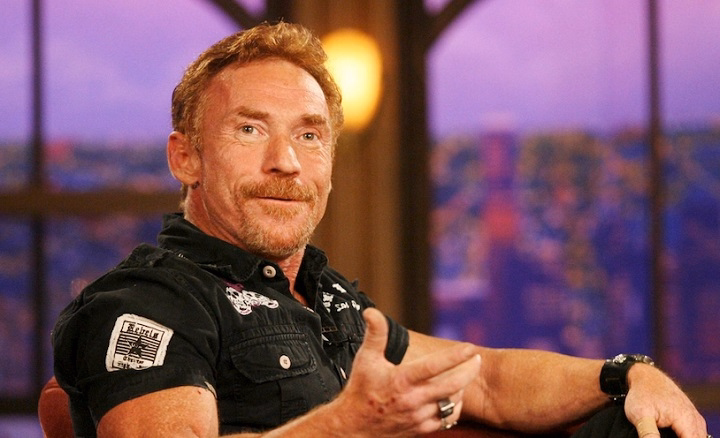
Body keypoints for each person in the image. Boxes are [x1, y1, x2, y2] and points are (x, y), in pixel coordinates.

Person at [52, 21, 708, 438]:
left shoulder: (329, 297)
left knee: (629, 424)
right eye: (249, 129)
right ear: (185, 157)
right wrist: (345, 426)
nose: (285, 162)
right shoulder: (147, 303)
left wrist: (629, 374)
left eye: (309, 136)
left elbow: (484, 378)